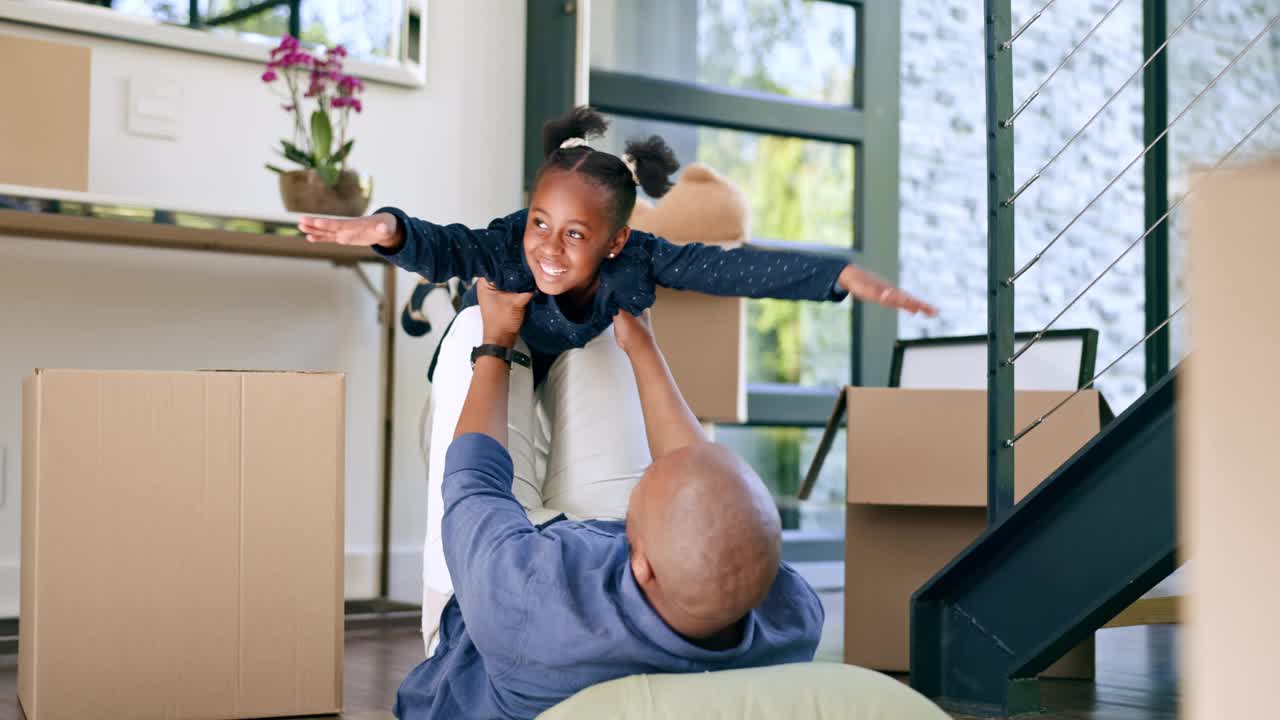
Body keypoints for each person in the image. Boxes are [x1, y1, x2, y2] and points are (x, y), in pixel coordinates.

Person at [299, 107, 936, 649]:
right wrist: (387, 229)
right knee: (482, 331)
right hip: (499, 356)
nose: (548, 248)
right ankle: (451, 612)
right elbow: (444, 244)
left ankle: (586, 548)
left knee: (605, 347)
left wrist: (837, 276)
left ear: (614, 241)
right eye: (541, 223)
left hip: (577, 372)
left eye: (575, 234)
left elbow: (728, 272)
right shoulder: (508, 246)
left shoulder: (637, 264)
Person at [392, 278, 823, 720]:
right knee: (600, 334)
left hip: (489, 590)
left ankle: (442, 303)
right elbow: (704, 478)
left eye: (648, 485)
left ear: (639, 561)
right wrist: (643, 347)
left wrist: (496, 342)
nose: (654, 466)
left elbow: (472, 480)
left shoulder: (523, 604)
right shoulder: (793, 614)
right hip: (579, 578)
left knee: (473, 327)